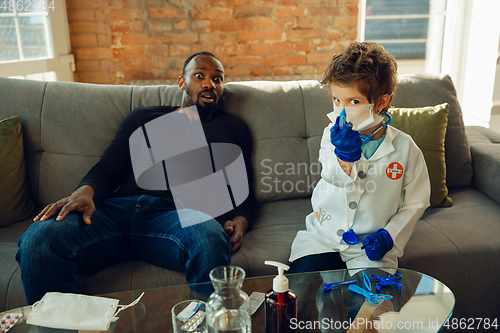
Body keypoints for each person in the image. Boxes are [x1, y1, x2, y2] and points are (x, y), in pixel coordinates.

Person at [16, 51, 254, 304]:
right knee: (38, 240)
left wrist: (241, 219)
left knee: (209, 238)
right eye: (200, 76)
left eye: (218, 79)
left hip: (178, 216)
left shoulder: (233, 128)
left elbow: (242, 187)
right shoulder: (144, 117)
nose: (209, 83)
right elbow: (108, 167)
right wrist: (84, 191)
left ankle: (211, 325)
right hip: (115, 212)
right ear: (182, 82)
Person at [288, 42, 430, 273]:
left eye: (353, 102)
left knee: (372, 304)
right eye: (336, 100)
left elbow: (417, 201)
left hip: (370, 246)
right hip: (322, 237)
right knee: (302, 293)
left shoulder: (406, 148)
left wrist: (389, 236)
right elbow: (332, 176)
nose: (340, 111)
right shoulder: (331, 135)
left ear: (381, 102)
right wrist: (343, 156)